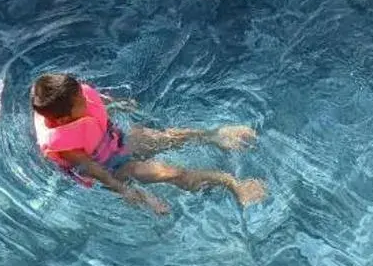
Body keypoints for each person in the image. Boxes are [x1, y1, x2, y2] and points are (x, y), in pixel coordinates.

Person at [29, 73, 267, 215]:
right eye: (80, 101)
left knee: (162, 137)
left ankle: (213, 135)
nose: (85, 98)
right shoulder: (65, 145)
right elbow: (95, 171)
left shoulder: (75, 97)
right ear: (63, 119)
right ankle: (233, 184)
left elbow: (97, 102)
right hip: (113, 167)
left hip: (116, 141)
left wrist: (117, 104)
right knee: (172, 172)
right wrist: (128, 191)